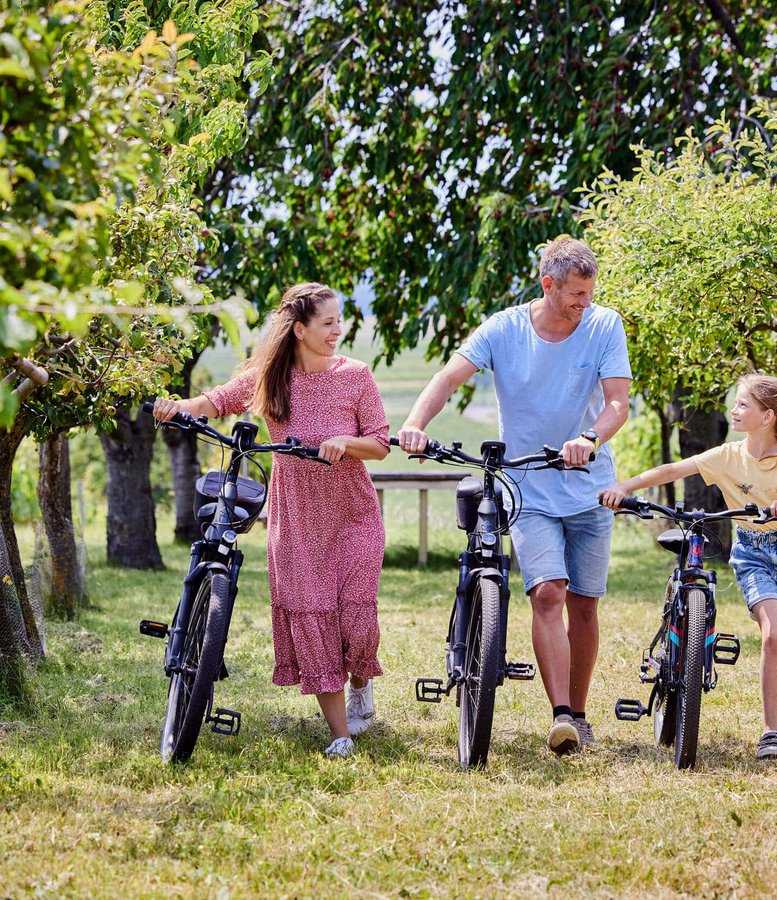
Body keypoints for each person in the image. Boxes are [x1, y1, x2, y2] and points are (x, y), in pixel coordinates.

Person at [397, 236, 631, 755]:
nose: (585, 303)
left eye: (589, 292)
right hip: (527, 488)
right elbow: (449, 377)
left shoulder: (604, 324)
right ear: (548, 284)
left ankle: (580, 712)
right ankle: (561, 716)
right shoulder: (504, 328)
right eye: (576, 294)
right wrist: (415, 423)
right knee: (547, 593)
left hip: (589, 485)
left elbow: (618, 402)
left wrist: (589, 438)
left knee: (584, 605)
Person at [153, 283, 390, 759]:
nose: (337, 331)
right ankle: (340, 734)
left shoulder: (356, 376)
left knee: (357, 618)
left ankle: (361, 684)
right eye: (327, 323)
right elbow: (216, 401)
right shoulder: (270, 376)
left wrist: (345, 441)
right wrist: (178, 407)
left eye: (339, 321)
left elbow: (380, 444)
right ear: (299, 329)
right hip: (297, 518)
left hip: (353, 513)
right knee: (314, 614)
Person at [598, 374, 777, 760]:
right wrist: (624, 487)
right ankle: (770, 731)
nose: (733, 410)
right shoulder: (728, 456)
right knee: (773, 637)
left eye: (742, 405)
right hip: (753, 553)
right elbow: (673, 470)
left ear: (767, 416)